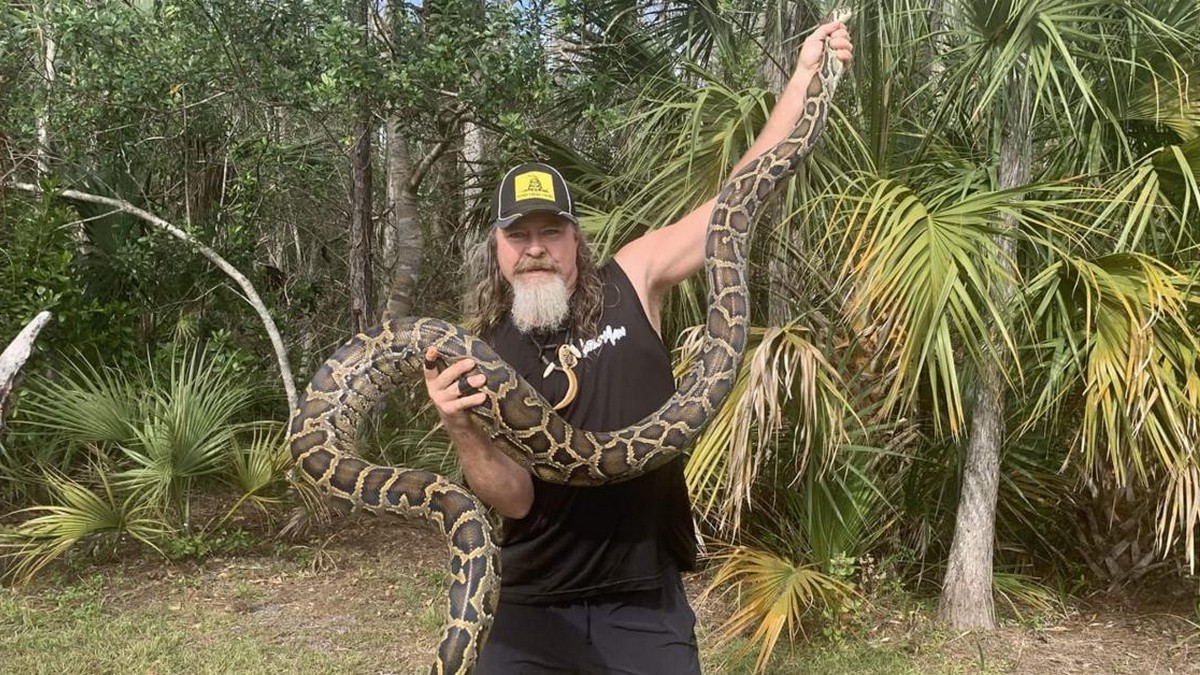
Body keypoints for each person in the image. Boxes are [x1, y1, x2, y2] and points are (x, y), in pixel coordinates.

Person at [422, 20, 853, 675]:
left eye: (551, 231)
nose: (535, 246)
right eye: (519, 235)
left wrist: (802, 82)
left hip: (642, 601)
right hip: (531, 602)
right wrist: (460, 426)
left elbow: (734, 201)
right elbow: (513, 498)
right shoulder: (483, 352)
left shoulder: (634, 276)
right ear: (499, 250)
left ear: (575, 239)